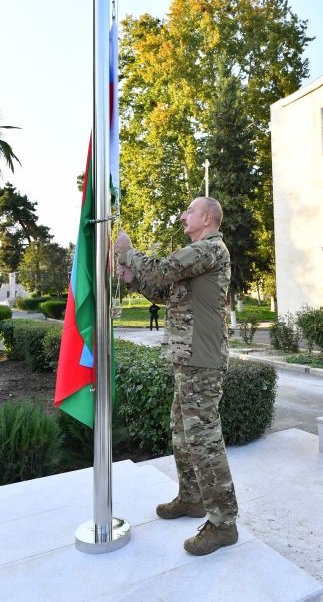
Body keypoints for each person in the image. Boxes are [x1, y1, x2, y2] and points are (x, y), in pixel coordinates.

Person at [115, 196, 238, 556]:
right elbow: (164, 291)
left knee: (203, 438)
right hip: (189, 358)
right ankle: (192, 498)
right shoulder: (195, 258)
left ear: (207, 217)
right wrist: (131, 276)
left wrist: (129, 251)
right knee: (183, 432)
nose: (182, 215)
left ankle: (223, 523)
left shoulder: (209, 249)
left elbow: (161, 269)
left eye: (189, 211)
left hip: (202, 358)